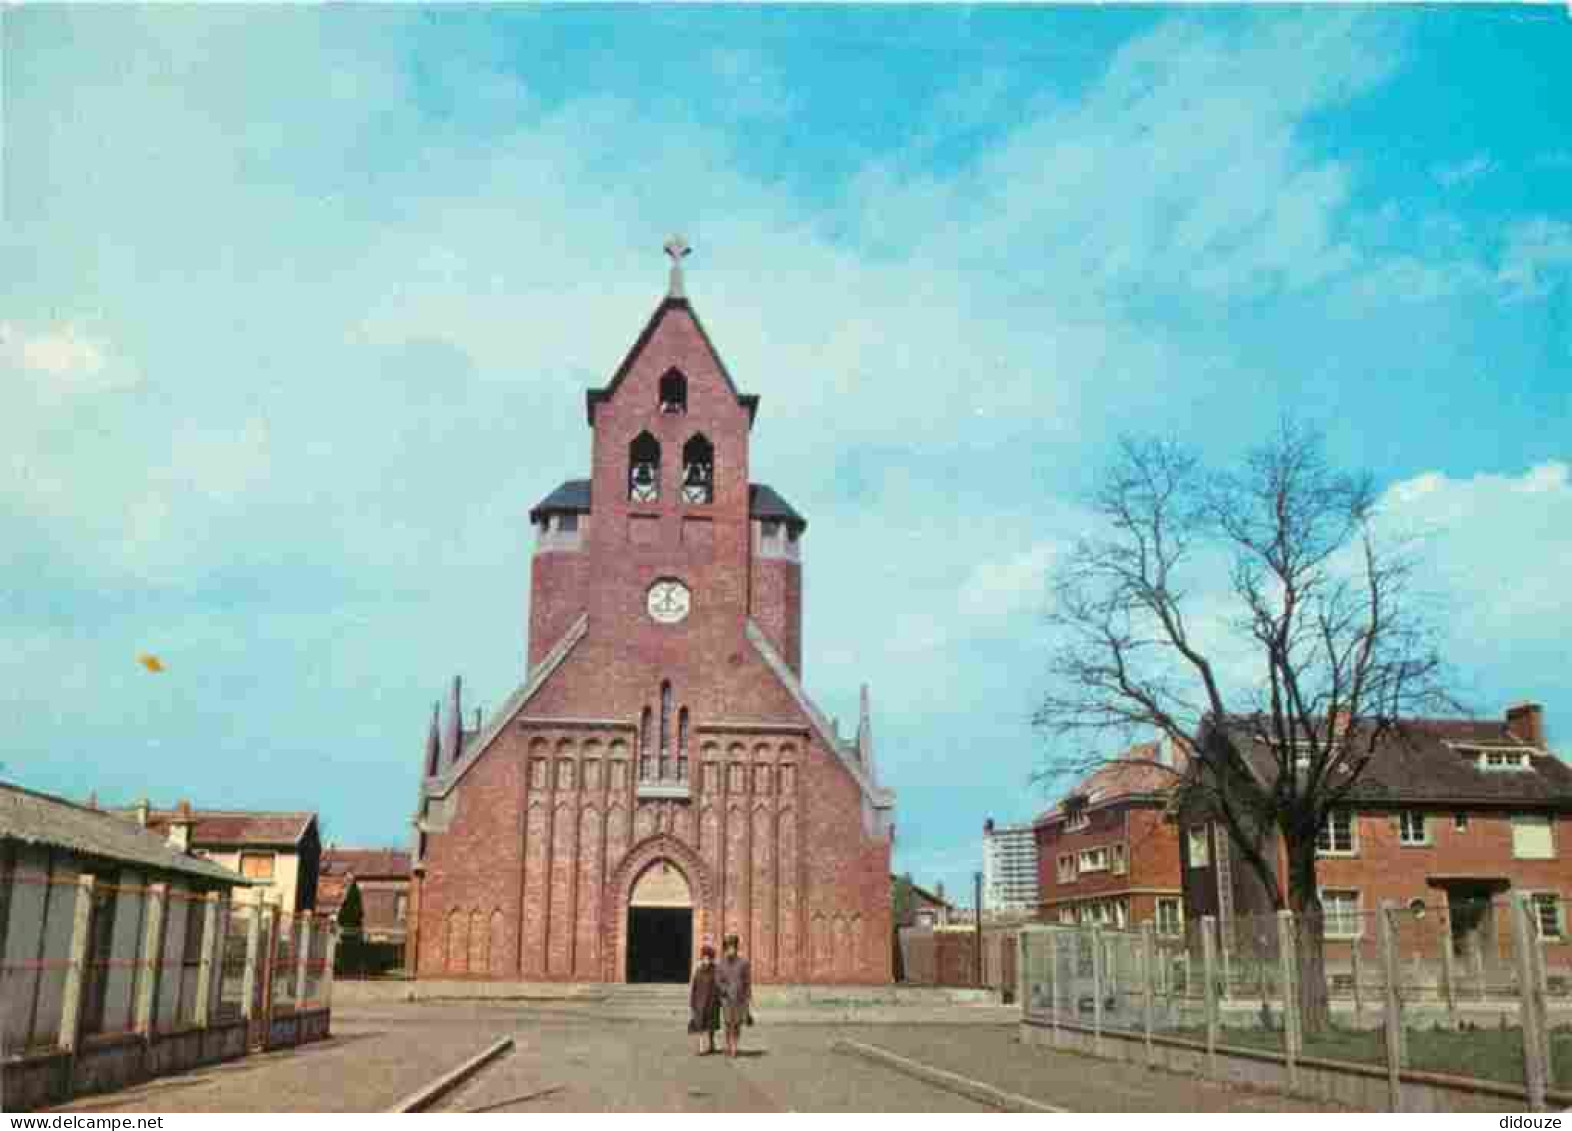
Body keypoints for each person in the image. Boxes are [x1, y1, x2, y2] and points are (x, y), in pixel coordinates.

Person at [714, 933, 752, 1059]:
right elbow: (718, 980)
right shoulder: (721, 964)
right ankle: (728, 1045)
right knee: (728, 1023)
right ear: (725, 949)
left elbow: (747, 981)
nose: (731, 950)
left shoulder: (743, 963)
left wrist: (747, 997)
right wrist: (724, 989)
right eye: (729, 947)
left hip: (739, 998)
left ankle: (734, 1046)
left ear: (736, 948)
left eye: (733, 947)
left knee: (737, 1024)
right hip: (726, 999)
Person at [688, 943, 720, 1055]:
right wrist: (692, 1002)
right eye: (704, 958)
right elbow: (694, 987)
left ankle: (711, 1044)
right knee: (700, 1025)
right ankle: (701, 1047)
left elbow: (719, 985)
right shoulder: (698, 971)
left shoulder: (715, 971)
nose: (706, 960)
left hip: (712, 1001)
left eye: (709, 958)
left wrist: (719, 999)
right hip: (700, 1002)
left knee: (711, 1025)